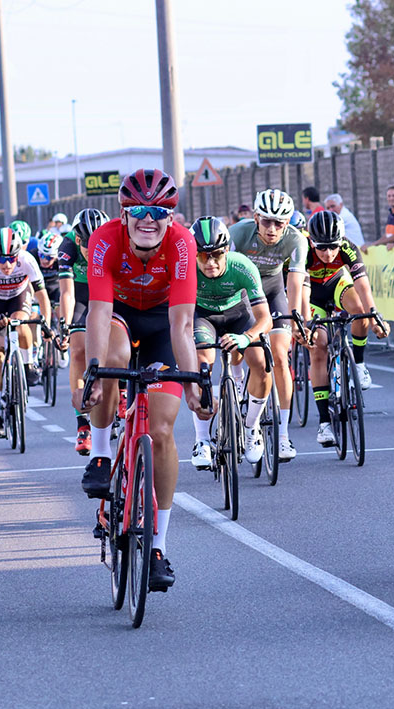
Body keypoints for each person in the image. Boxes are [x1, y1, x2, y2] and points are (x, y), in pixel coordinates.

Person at [73, 168, 209, 591]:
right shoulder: (105, 240)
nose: (149, 219)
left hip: (164, 325)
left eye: (160, 211)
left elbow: (183, 325)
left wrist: (194, 383)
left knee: (164, 430)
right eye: (139, 211)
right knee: (110, 358)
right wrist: (94, 371)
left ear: (172, 215)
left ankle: (157, 547)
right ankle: (100, 452)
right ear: (124, 212)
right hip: (118, 315)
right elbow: (96, 312)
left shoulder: (183, 243)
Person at [293, 210, 389, 446]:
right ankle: (325, 422)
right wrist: (306, 323)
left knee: (360, 309)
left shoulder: (348, 247)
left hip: (337, 283)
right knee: (319, 347)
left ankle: (359, 363)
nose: (328, 253)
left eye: (333, 247)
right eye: (322, 247)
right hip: (313, 294)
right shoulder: (303, 250)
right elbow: (302, 291)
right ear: (312, 242)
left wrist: (375, 315)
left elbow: (363, 287)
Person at [187, 216, 272, 469]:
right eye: (203, 256)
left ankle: (251, 428)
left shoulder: (243, 266)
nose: (210, 262)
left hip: (238, 314)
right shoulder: (187, 269)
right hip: (204, 316)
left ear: (226, 251)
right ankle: (202, 440)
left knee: (261, 364)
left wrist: (246, 337)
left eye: (216, 254)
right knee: (203, 363)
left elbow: (265, 319)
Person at [229, 189, 308, 460]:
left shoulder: (297, 239)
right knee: (240, 340)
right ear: (256, 218)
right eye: (267, 222)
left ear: (288, 224)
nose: (273, 229)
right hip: (241, 290)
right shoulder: (238, 233)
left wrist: (294, 318)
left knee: (280, 357)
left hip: (273, 290)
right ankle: (237, 378)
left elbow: (294, 282)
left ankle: (283, 435)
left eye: (280, 223)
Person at [0, 226, 52, 437]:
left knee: (20, 322)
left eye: (11, 259)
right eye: (1, 259)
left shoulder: (27, 260)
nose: (7, 265)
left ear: (18, 255)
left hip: (19, 298)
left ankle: (27, 364)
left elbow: (42, 296)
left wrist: (47, 324)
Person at [59, 209, 108, 455]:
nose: (93, 252)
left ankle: (120, 391)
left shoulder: (115, 239)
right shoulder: (67, 246)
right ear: (78, 240)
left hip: (108, 290)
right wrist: (63, 325)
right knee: (78, 350)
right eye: (88, 247)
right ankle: (82, 425)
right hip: (82, 292)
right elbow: (67, 293)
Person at [364, 185, 394, 252]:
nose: (391, 198)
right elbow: (388, 235)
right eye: (389, 196)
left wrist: (376, 244)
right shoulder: (391, 213)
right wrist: (373, 244)